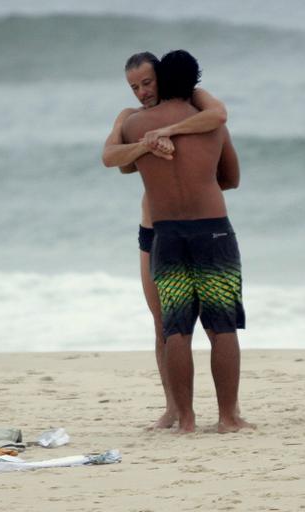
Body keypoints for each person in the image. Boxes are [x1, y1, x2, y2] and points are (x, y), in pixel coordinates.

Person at [121, 50, 250, 433]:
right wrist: (202, 184)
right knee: (221, 326)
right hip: (212, 229)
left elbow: (119, 162)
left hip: (167, 233)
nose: (142, 91)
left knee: (174, 328)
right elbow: (232, 178)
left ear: (161, 78)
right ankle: (228, 418)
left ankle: (186, 420)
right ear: (193, 83)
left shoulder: (135, 126)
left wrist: (151, 142)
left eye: (147, 83)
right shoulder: (210, 124)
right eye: (135, 86)